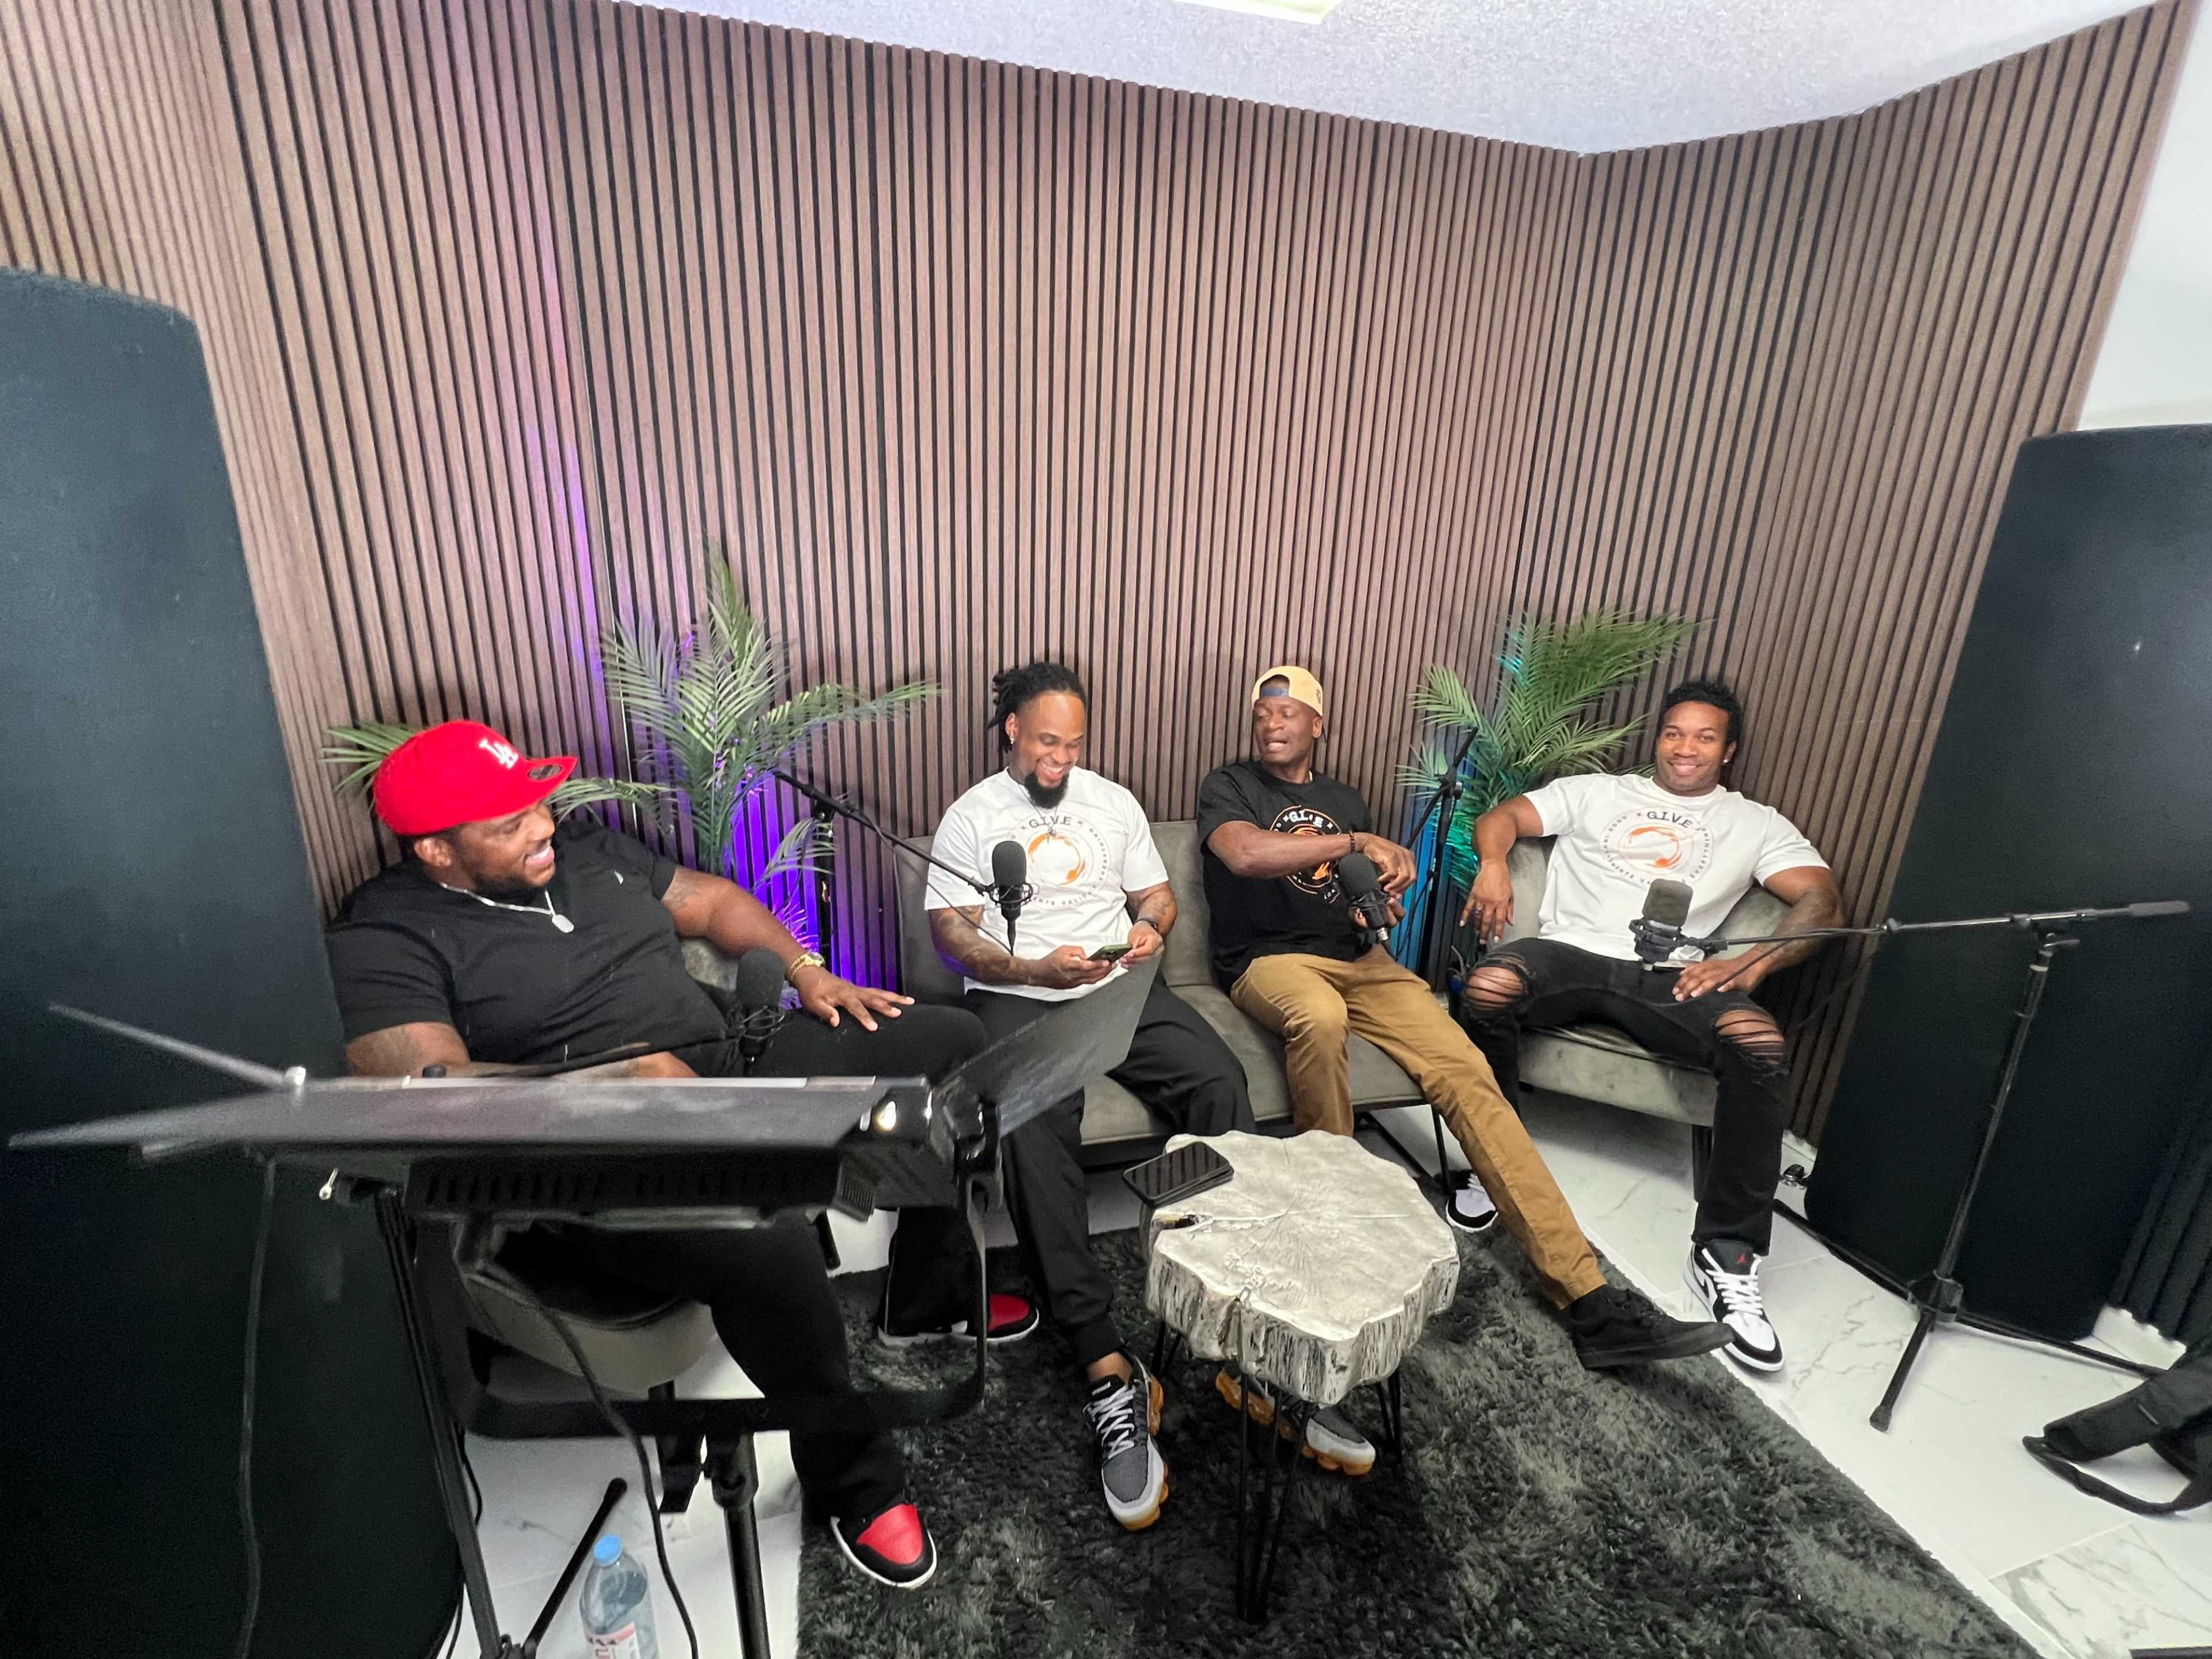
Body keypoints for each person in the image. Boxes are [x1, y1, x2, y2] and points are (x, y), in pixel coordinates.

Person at [324, 719, 1025, 1592]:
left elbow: (716, 903)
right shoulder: (384, 936)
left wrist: (807, 971)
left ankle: (923, 1298)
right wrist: (611, 1079)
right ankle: (856, 1478)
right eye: (509, 823)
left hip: (727, 1061)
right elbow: (431, 1090)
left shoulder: (585, 850)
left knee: (949, 1039)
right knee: (768, 1235)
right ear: (435, 850)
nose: (543, 825)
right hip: (599, 1152)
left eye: (537, 804)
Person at [1198, 666, 1730, 1373]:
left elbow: (1347, 895)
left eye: (1289, 712)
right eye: (1263, 713)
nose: (1272, 723)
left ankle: (1588, 1297)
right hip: (1270, 963)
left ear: (1317, 725)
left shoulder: (1342, 798)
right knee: (1320, 1020)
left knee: (1468, 1071)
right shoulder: (1229, 786)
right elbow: (1245, 853)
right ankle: (1330, 1233)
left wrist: (1374, 904)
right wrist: (1357, 845)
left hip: (1365, 962)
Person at [917, 662, 1276, 1530]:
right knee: (1034, 1125)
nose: (1060, 758)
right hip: (1021, 995)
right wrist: (1028, 967)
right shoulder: (972, 816)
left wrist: (1154, 924)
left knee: (1220, 1086)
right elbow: (951, 936)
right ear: (1010, 730)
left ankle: (1218, 1310)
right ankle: (1106, 1364)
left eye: (1073, 743)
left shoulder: (1112, 803)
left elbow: (1153, 890)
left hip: (1119, 984)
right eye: (1046, 741)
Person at [1458, 678, 1843, 1372]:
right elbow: (1504, 818)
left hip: (1673, 974)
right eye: (1674, 733)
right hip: (1568, 953)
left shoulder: (1755, 823)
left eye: (1704, 737)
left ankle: (1726, 1254)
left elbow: (1820, 896)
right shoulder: (1596, 793)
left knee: (1759, 1043)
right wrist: (1492, 864)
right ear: (1657, 738)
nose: (1685, 749)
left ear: (1729, 751)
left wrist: (1752, 964)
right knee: (1487, 987)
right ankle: (1493, 1162)